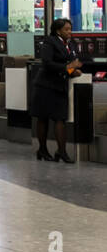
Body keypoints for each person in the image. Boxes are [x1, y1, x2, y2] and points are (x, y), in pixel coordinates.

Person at [32, 17, 82, 162]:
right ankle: (42, 149)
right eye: (66, 29)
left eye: (70, 29)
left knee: (60, 119)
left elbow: (73, 62)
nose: (69, 32)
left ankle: (62, 151)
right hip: (45, 86)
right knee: (43, 118)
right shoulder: (50, 41)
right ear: (57, 30)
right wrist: (68, 68)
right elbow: (47, 63)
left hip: (60, 86)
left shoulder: (71, 44)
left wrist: (73, 70)